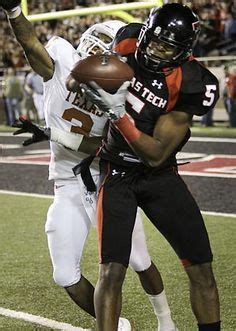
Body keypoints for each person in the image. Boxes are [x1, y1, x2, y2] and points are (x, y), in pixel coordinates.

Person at [1, 2, 178, 330]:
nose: (93, 55)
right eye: (91, 47)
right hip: (67, 183)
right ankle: (116, 324)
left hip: (109, 181)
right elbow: (29, 43)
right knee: (64, 274)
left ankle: (165, 320)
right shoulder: (60, 63)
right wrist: (13, 11)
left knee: (139, 260)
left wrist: (54, 134)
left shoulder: (122, 92)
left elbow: (106, 148)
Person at [81, 3, 221, 331]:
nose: (155, 50)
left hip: (159, 174)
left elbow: (156, 155)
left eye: (166, 46)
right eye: (153, 40)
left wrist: (120, 115)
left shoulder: (192, 80)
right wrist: (88, 78)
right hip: (116, 172)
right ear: (144, 32)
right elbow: (83, 81)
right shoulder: (127, 40)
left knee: (201, 269)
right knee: (111, 272)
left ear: (183, 51)